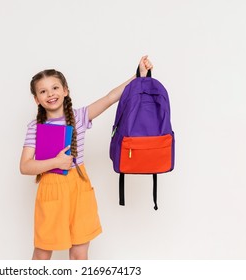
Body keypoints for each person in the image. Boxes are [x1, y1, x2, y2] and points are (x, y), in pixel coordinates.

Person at [20, 56, 153, 260]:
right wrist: (55, 162)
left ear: (65, 90)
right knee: (42, 253)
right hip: (51, 190)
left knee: (79, 254)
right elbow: (25, 166)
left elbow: (109, 98)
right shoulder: (34, 128)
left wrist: (138, 75)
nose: (50, 94)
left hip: (79, 188)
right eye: (43, 91)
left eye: (55, 88)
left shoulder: (80, 117)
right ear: (37, 99)